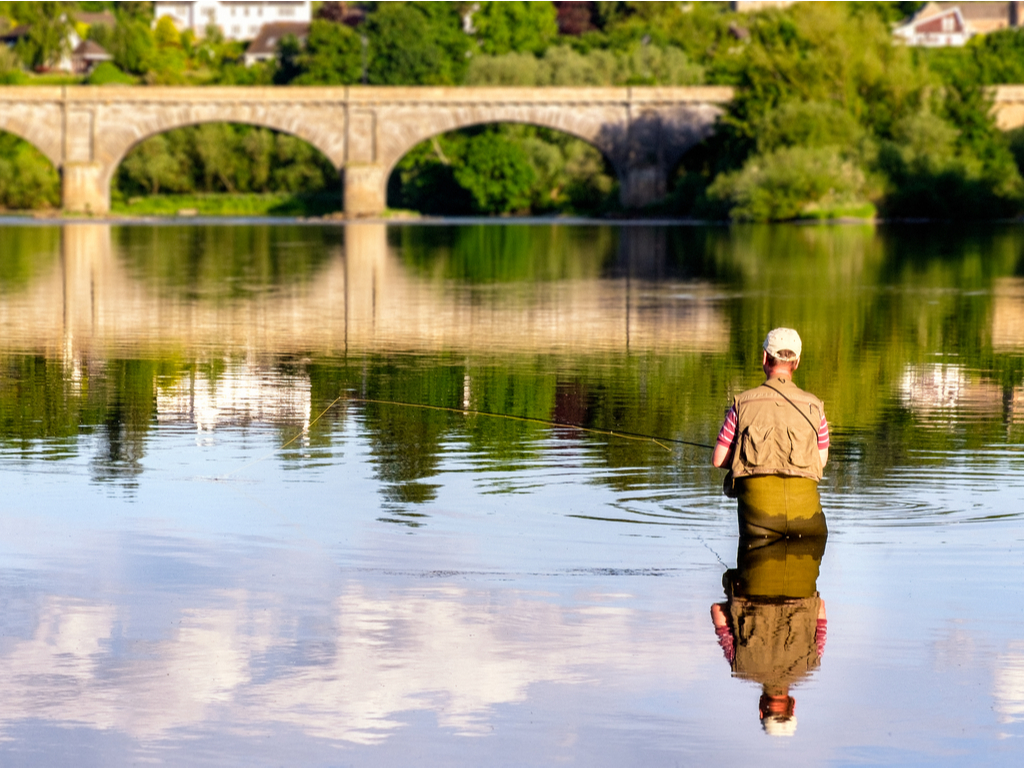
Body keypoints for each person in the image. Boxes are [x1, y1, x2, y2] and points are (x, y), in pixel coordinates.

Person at [712, 328, 829, 538]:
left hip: (758, 526)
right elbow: (820, 461)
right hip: (809, 526)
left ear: (764, 357)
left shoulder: (741, 405)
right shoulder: (816, 408)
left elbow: (719, 459)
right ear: (797, 362)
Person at [710, 536, 829, 737]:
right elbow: (717, 611)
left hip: (799, 574)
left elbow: (821, 607)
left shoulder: (812, 661)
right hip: (753, 575)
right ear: (760, 707)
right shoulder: (739, 665)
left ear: (793, 706)